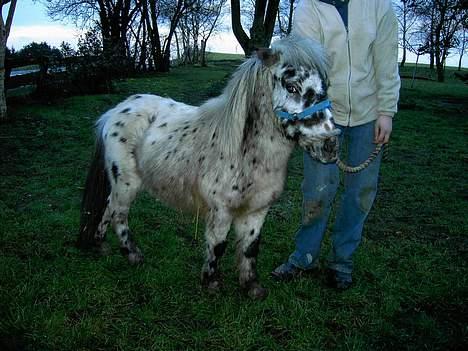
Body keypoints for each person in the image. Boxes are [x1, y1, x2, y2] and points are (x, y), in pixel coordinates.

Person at [271, 0, 400, 289]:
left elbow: (386, 59)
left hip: (369, 115)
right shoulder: (308, 9)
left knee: (360, 193)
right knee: (317, 189)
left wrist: (386, 112)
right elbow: (306, 68)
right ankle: (304, 257)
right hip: (323, 113)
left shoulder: (378, 5)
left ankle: (342, 262)